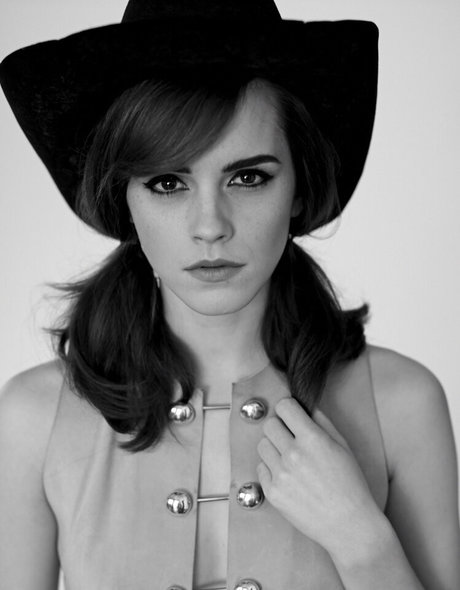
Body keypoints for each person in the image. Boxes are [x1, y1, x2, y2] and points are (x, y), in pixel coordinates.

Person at [0, 0, 459, 589]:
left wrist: (361, 539)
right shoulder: (33, 419)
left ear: (298, 188)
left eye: (247, 178)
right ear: (124, 200)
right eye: (168, 182)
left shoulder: (403, 406)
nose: (210, 226)